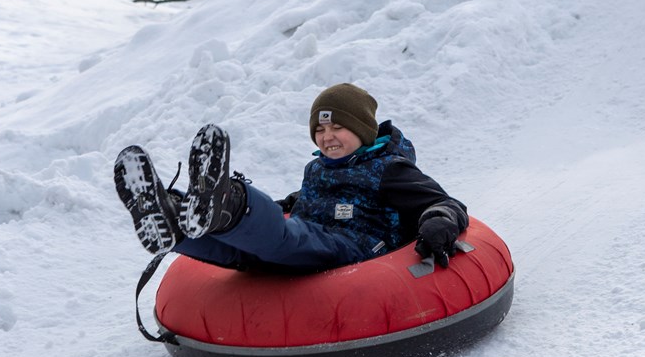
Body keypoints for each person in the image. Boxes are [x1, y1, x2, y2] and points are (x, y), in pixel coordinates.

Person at [113, 83, 469, 273]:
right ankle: (173, 218)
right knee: (235, 250)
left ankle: (229, 202)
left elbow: (443, 202)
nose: (327, 137)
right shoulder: (319, 168)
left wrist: (439, 222)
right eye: (320, 130)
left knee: (287, 237)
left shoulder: (389, 169)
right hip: (314, 237)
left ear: (363, 130)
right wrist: (286, 204)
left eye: (338, 127)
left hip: (353, 247)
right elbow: (306, 199)